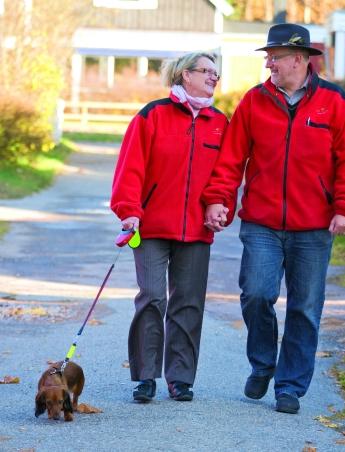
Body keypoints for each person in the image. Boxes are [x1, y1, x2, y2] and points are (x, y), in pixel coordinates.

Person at [203, 23, 345, 414]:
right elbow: (230, 159)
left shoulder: (336, 102)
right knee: (256, 294)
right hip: (261, 222)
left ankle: (289, 386)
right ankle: (263, 365)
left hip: (313, 227)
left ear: (299, 59)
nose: (269, 65)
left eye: (274, 58)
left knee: (305, 308)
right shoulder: (254, 102)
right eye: (268, 58)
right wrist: (218, 200)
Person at [110, 52, 228, 403]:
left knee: (188, 303)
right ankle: (145, 376)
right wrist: (129, 211)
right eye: (206, 71)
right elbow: (130, 167)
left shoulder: (220, 122)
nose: (213, 77)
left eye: (216, 73)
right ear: (184, 74)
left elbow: (226, 175)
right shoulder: (152, 115)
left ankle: (180, 378)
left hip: (196, 230)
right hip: (149, 227)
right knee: (152, 298)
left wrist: (219, 204)